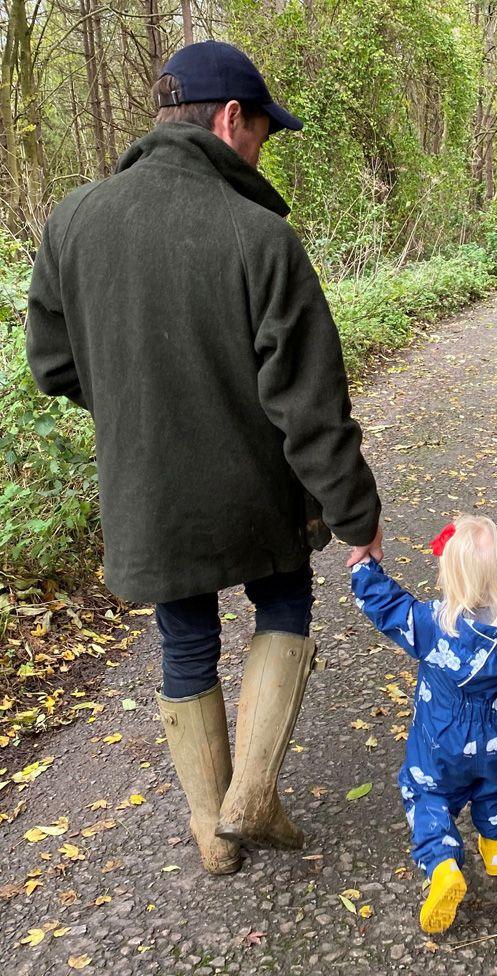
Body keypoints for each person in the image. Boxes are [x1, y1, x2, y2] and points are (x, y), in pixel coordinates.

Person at [26, 41, 383, 875]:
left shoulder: (73, 220)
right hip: (256, 488)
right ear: (229, 120)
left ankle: (209, 832)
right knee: (284, 602)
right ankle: (253, 793)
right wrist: (354, 513)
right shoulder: (260, 237)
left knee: (183, 640)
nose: (261, 150)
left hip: (146, 488)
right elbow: (311, 403)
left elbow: (51, 364)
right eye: (261, 133)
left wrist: (133, 405)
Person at [350, 516, 497, 933]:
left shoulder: (431, 624)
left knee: (425, 790)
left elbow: (386, 606)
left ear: (448, 574)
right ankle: (495, 849)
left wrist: (363, 568)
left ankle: (443, 867)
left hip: (443, 740)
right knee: (495, 786)